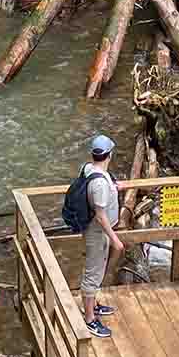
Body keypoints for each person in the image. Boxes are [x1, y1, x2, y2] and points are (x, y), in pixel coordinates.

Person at [78, 135, 125, 337]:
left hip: (97, 230)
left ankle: (94, 305)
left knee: (96, 269)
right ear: (110, 155)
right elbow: (100, 214)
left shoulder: (89, 169)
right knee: (93, 272)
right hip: (97, 232)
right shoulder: (99, 184)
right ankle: (90, 319)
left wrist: (114, 187)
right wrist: (114, 238)